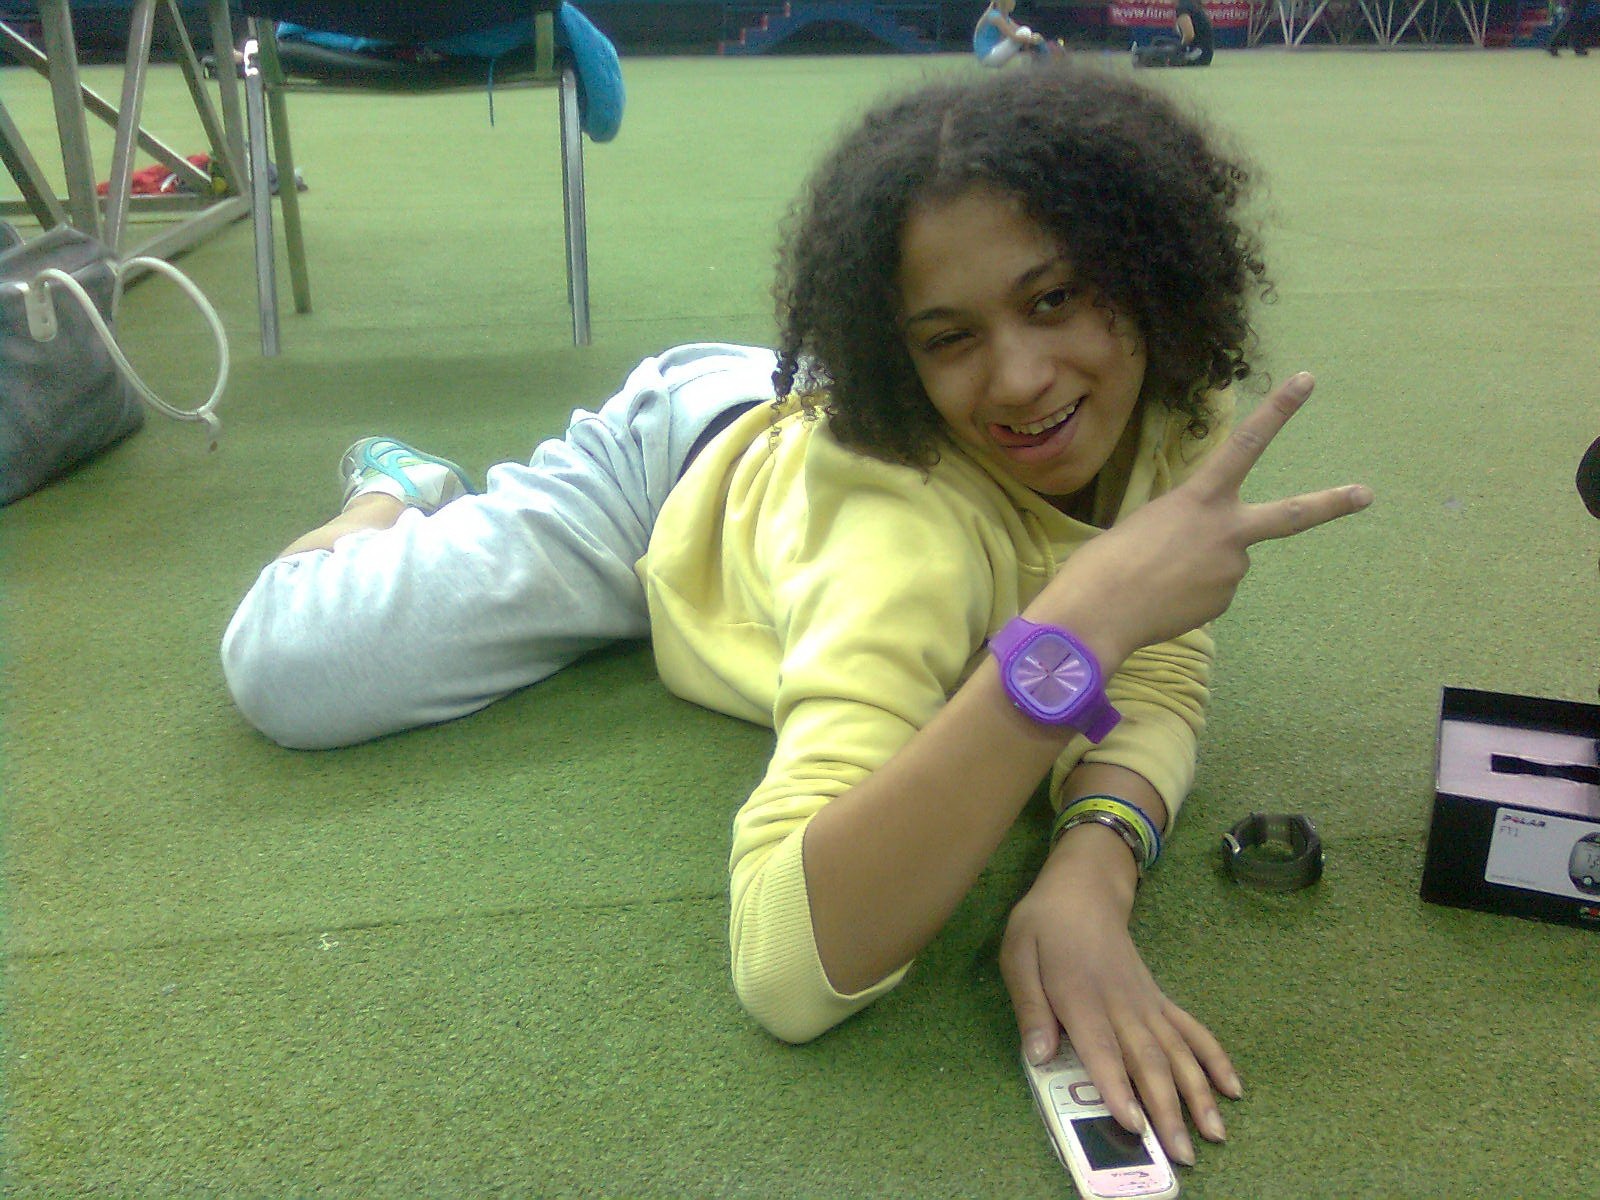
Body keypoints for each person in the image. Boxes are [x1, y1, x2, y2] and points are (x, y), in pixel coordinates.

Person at [221, 63, 1372, 1170]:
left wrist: (1092, 862)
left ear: (1144, 272)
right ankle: (397, 490)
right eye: (949, 335)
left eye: (1056, 297)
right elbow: (786, 968)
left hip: (822, 415)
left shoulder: (1168, 395)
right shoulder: (895, 531)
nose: (1023, 376)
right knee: (293, 668)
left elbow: (1155, 672)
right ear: (906, 353)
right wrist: (1070, 635)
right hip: (674, 474)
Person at [972, 0, 1060, 67]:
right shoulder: (995, 17)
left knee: (1027, 31)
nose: (1014, 3)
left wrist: (1037, 38)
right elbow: (1014, 37)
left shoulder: (1002, 17)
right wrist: (1031, 39)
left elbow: (1018, 29)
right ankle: (1043, 61)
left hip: (989, 55)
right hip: (988, 56)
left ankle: (1040, 59)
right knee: (1025, 32)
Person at [1133, 0, 1215, 67]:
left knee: (1161, 53)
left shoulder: (1183, 8)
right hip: (1201, 51)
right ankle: (1143, 54)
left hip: (1197, 55)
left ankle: (1141, 55)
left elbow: (1189, 35)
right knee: (1159, 41)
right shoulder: (1190, 5)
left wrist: (1178, 49)